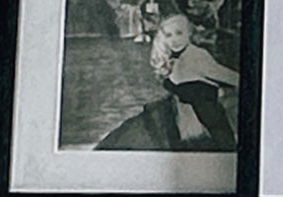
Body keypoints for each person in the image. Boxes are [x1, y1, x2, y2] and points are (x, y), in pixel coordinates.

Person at [96, 12, 241, 151]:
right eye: (169, 35)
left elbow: (226, 76)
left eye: (179, 33)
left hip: (205, 120)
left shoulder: (196, 55)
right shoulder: (176, 58)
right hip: (179, 118)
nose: (175, 39)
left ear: (189, 33)